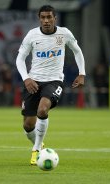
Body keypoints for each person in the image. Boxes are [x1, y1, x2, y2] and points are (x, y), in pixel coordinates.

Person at [16, 5, 85, 165]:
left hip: (54, 80)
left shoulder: (64, 33)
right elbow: (20, 59)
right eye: (43, 18)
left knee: (43, 109)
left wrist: (82, 73)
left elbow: (77, 51)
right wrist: (26, 78)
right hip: (33, 81)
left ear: (55, 18)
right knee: (28, 125)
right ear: (39, 19)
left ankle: (37, 149)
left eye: (49, 17)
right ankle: (37, 142)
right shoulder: (32, 35)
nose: (46, 21)